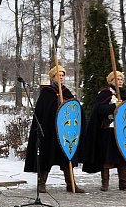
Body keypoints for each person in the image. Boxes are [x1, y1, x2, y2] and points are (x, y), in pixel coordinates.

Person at [23, 65, 85, 193]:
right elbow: (41, 113)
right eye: (59, 75)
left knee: (67, 157)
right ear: (53, 77)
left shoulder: (67, 93)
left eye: (63, 75)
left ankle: (71, 184)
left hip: (65, 133)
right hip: (50, 132)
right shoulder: (46, 94)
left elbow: (74, 110)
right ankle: (41, 183)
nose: (61, 77)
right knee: (46, 157)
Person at [80, 71, 126, 191]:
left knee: (123, 156)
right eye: (117, 79)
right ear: (110, 81)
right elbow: (99, 110)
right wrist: (114, 106)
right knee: (107, 158)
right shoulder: (105, 94)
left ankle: (123, 182)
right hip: (108, 130)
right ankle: (105, 183)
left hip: (123, 132)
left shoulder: (125, 96)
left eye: (121, 79)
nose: (119, 81)